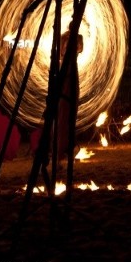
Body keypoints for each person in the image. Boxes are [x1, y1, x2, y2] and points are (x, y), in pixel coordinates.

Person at [57, 22, 84, 164]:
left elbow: (79, 49)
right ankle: (63, 149)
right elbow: (62, 51)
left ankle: (67, 147)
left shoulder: (77, 37)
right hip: (67, 72)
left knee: (69, 110)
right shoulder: (66, 37)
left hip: (70, 72)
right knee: (64, 111)